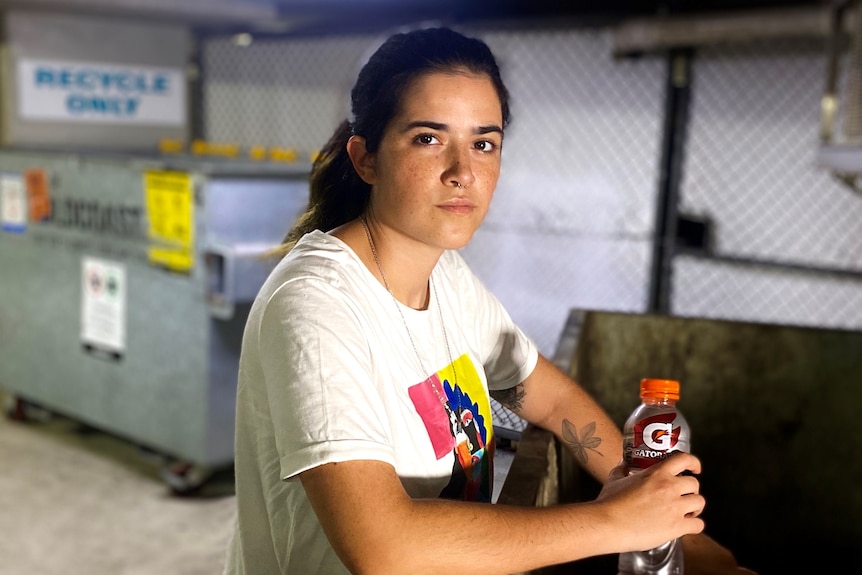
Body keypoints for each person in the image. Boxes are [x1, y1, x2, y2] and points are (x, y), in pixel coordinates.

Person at [223, 26, 755, 575]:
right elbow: (384, 548)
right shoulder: (317, 306)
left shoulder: (446, 276)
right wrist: (616, 523)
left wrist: (669, 522)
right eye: (428, 138)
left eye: (484, 143)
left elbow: (551, 400)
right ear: (366, 159)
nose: (463, 173)